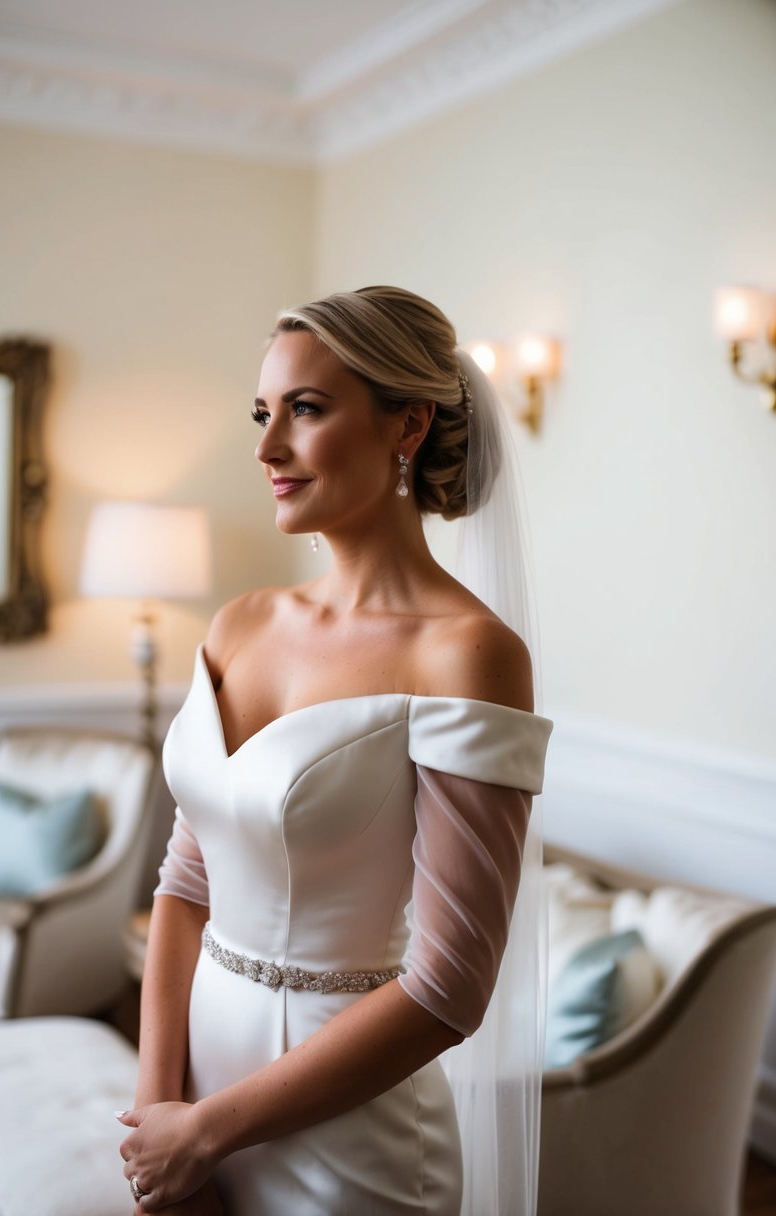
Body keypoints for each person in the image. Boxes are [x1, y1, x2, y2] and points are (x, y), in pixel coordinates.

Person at [117, 286, 553, 1216]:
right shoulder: (240, 622)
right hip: (194, 1092)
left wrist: (210, 1129)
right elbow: (185, 885)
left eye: (305, 411)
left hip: (349, 1136)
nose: (267, 448)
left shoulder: (466, 653)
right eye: (262, 413)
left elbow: (449, 987)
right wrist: (161, 1115)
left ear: (407, 425)